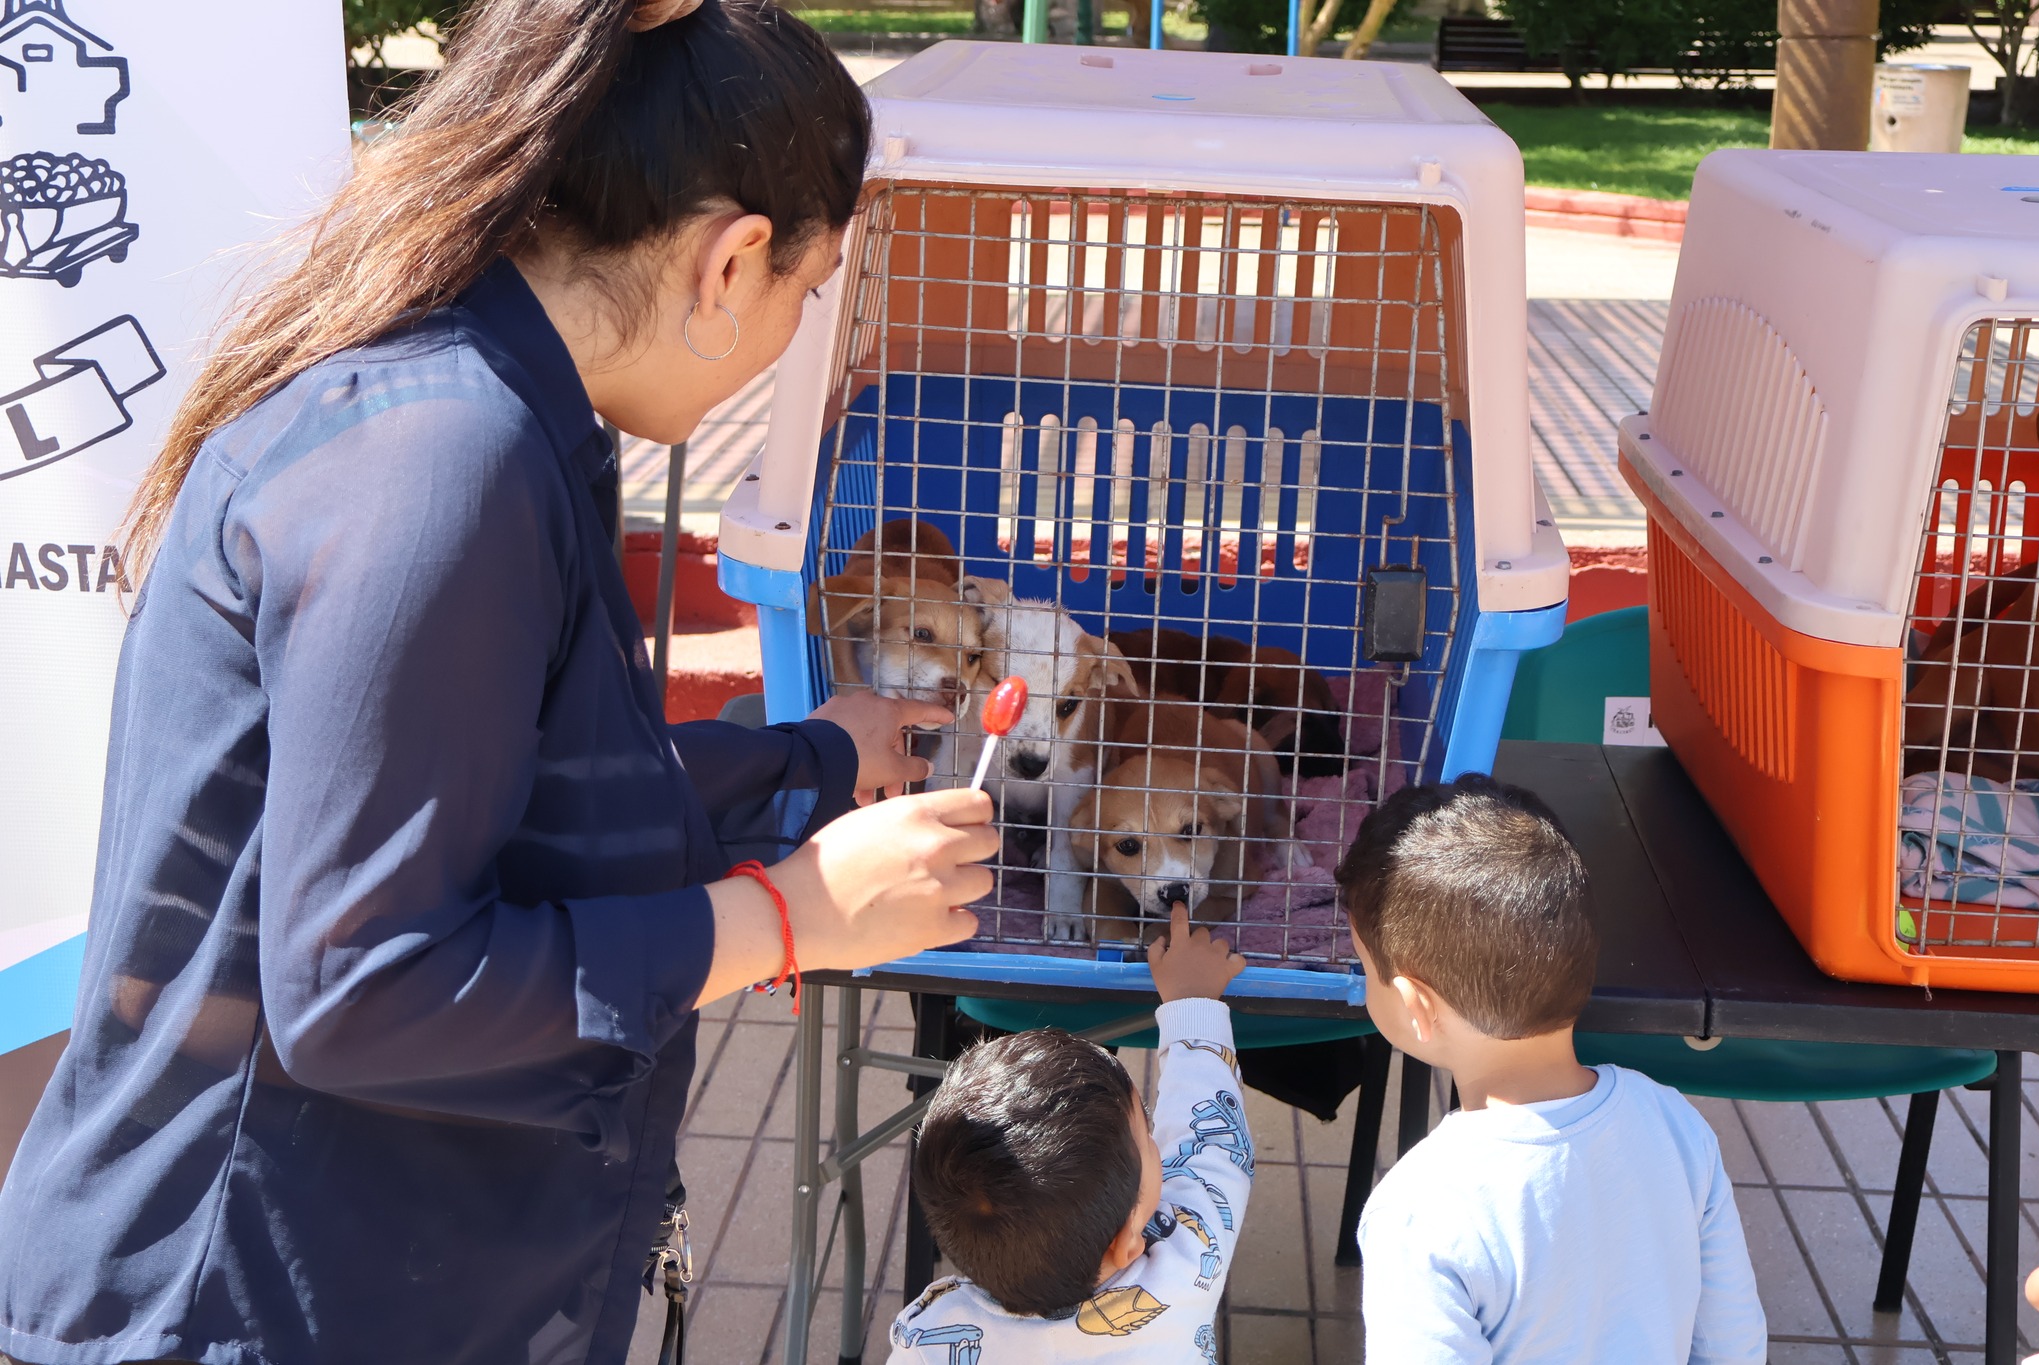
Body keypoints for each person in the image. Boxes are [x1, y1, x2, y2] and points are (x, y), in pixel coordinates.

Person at [0, 3, 998, 1364]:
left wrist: (814, 755)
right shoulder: (441, 461)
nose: (793, 337)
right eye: (808, 292)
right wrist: (786, 918)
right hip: (245, 1306)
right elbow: (362, 984)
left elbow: (506, 788)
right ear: (730, 260)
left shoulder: (488, 411)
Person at [1336, 774, 1768, 1364]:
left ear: (1417, 1007)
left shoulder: (1418, 1210)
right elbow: (1734, 1345)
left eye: (1365, 968)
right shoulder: (1673, 1122)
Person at [889, 906, 1250, 1364]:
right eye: (1147, 1137)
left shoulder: (931, 1337)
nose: (1156, 1141)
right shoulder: (1188, 1264)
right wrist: (1192, 1002)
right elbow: (1212, 1140)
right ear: (1127, 1243)